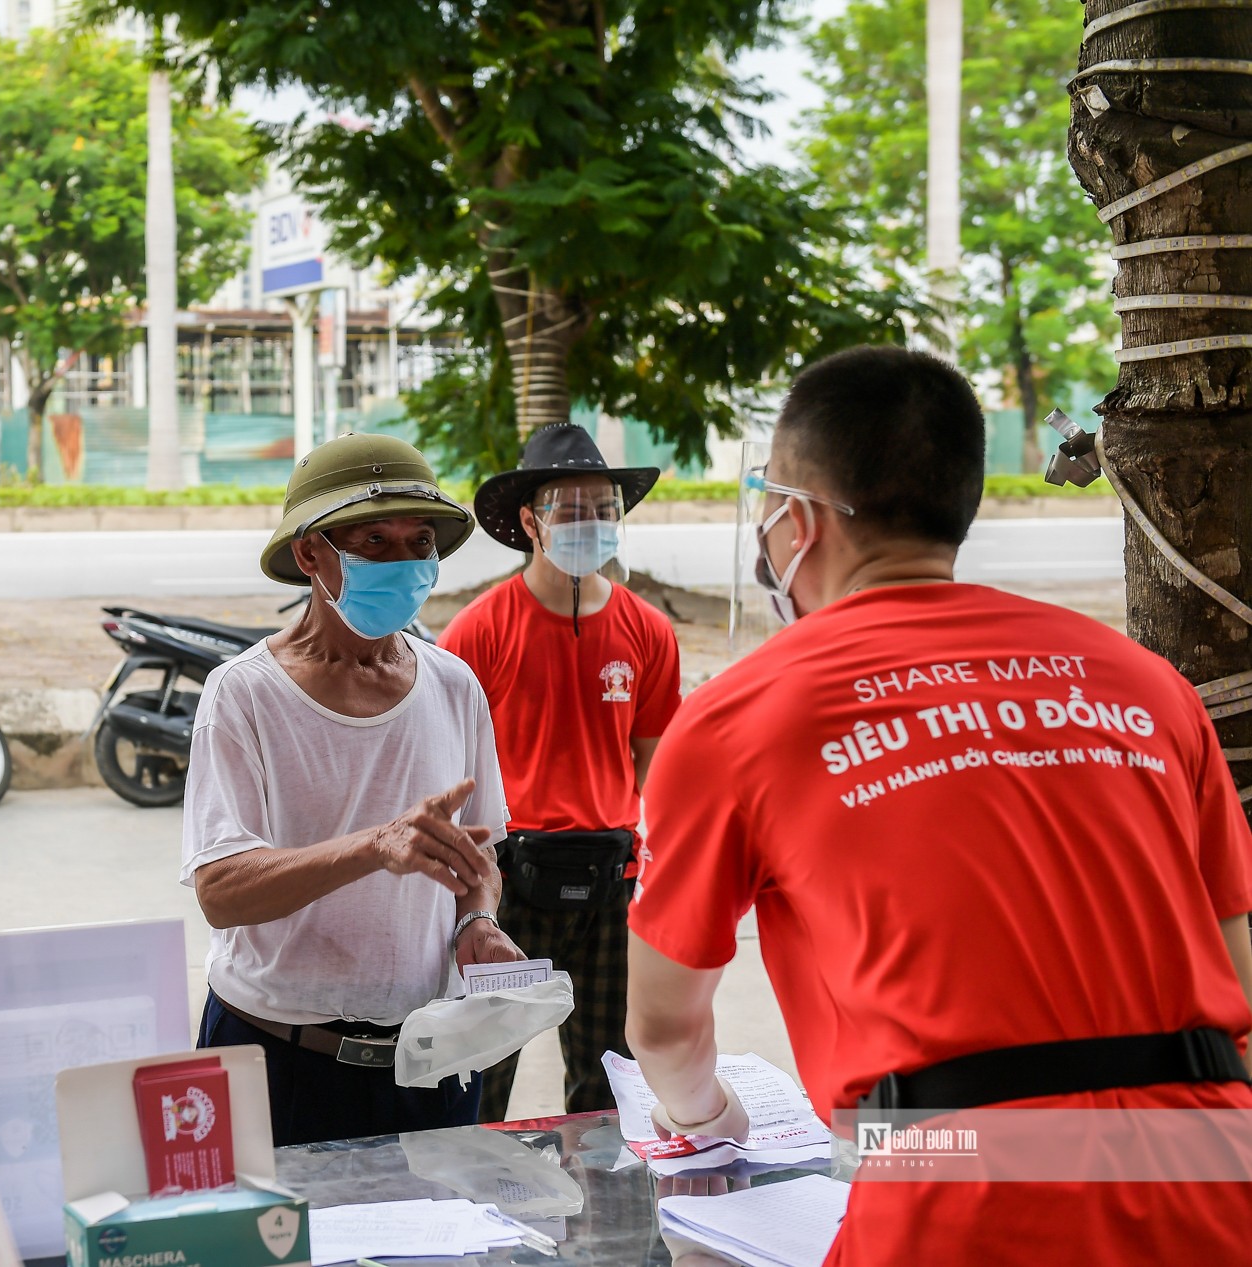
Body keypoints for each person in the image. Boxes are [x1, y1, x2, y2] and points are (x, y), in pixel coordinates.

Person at [625, 345, 1252, 1262]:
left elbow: (665, 1024)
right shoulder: (1148, 687)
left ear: (797, 520)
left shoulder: (740, 718)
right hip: (1215, 1172)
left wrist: (710, 1118)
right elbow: (1237, 976)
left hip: (957, 1183)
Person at [184, 432, 526, 1146]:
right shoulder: (243, 695)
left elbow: (477, 859)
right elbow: (220, 889)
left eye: (419, 540)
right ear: (312, 554)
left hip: (427, 1063)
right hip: (277, 1059)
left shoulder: (453, 684)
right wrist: (376, 845)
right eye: (375, 540)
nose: (405, 563)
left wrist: (479, 922)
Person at [438, 423, 680, 1120]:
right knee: (481, 1072)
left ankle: (607, 1214)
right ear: (529, 522)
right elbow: (447, 769)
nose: (590, 522)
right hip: (509, 878)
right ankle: (477, 1217)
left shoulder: (647, 631)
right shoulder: (478, 632)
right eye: (569, 509)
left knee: (610, 1082)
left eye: (603, 508)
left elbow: (654, 768)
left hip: (613, 881)